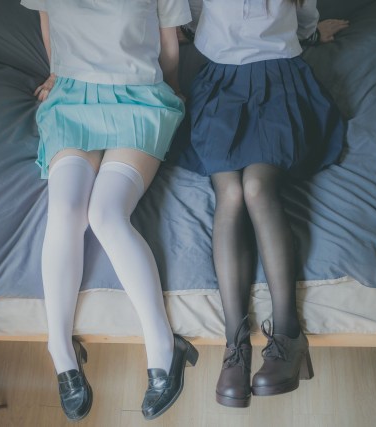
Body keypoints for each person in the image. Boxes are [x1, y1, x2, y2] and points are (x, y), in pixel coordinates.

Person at [20, 0, 197, 421]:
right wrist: (57, 73)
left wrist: (172, 88)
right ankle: (59, 348)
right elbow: (48, 24)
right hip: (73, 98)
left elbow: (168, 48)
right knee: (65, 210)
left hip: (139, 95)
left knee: (106, 214)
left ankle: (164, 346)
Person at [178, 0, 348, 408]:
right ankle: (235, 346)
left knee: (256, 187)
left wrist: (312, 32)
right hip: (220, 83)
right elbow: (193, 17)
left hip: (281, 79)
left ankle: (288, 333)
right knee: (231, 193)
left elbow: (303, 16)